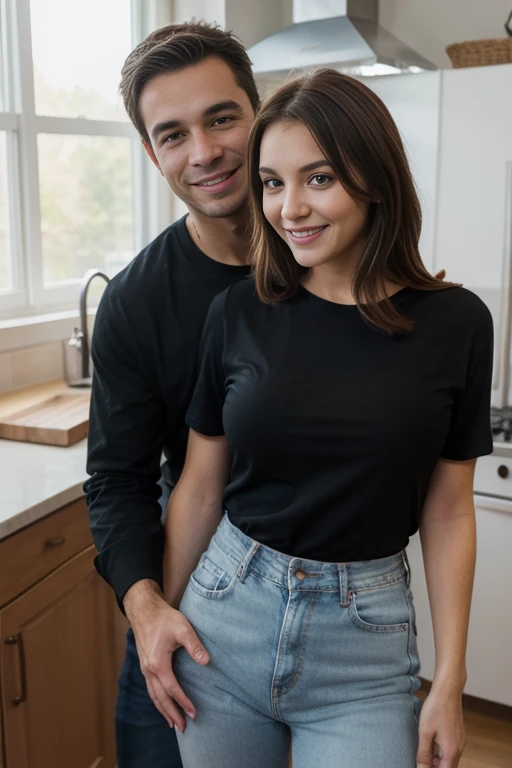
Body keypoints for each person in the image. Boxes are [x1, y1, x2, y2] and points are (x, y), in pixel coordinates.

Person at [162, 69, 494, 768]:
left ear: (374, 180)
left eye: (318, 179)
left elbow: (449, 510)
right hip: (223, 621)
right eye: (273, 183)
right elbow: (199, 485)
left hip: (364, 651)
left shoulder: (456, 323)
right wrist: (160, 615)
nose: (289, 209)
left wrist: (453, 680)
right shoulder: (239, 313)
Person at [84, 21, 260, 768]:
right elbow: (117, 481)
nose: (205, 151)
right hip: (189, 598)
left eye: (222, 118)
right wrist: (147, 605)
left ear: (261, 115)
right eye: (174, 134)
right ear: (153, 154)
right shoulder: (134, 304)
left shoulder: (338, 261)